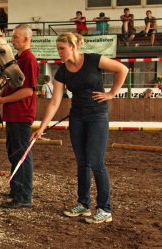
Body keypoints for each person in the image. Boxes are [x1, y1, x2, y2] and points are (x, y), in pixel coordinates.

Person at [31, 32, 128, 223]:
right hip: (77, 118)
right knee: (82, 162)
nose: (59, 52)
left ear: (73, 47)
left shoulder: (93, 59)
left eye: (62, 48)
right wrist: (42, 127)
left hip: (97, 116)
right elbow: (54, 102)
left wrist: (111, 93)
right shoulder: (62, 72)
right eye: (57, 48)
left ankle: (104, 209)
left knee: (96, 162)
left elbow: (122, 69)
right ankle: (83, 204)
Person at [0, 24, 39, 209]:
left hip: (21, 114)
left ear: (26, 39)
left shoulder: (29, 60)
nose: (13, 40)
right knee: (14, 153)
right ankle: (17, 190)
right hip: (14, 114)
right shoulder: (17, 59)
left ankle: (23, 196)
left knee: (21, 155)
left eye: (16, 37)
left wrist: (2, 99)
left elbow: (27, 92)